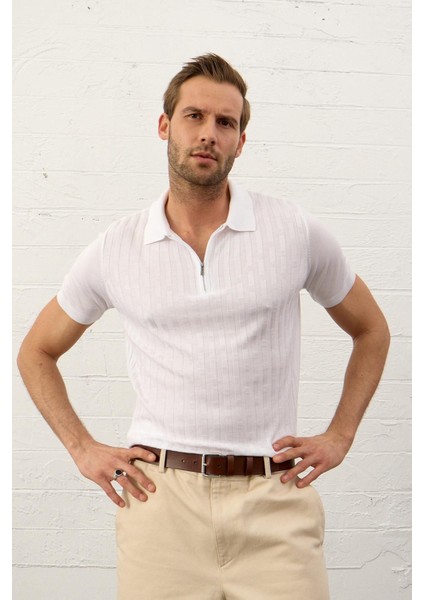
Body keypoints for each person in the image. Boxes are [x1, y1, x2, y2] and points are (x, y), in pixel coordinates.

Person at [17, 53, 390, 600]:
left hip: (274, 502)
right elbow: (36, 351)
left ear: (241, 140)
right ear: (165, 125)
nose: (209, 133)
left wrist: (341, 435)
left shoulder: (293, 231)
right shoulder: (116, 247)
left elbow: (372, 329)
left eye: (225, 122)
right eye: (194, 116)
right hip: (160, 508)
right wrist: (82, 448)